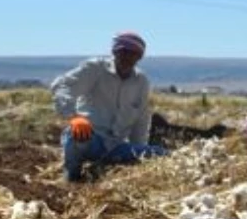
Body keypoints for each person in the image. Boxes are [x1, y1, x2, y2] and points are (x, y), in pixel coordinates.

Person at [50, 31, 167, 182]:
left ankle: (101, 170)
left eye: (134, 54)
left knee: (161, 154)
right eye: (124, 52)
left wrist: (138, 154)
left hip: (116, 146)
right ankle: (71, 177)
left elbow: (141, 121)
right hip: (90, 138)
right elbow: (62, 86)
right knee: (75, 136)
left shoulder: (141, 82)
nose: (128, 57)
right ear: (115, 52)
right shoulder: (96, 68)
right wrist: (74, 117)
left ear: (139, 57)